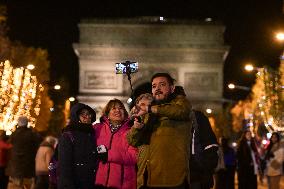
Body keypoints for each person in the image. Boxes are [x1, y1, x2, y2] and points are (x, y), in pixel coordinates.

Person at [128, 73, 192, 188]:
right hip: (148, 177)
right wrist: (137, 128)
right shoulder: (148, 113)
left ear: (172, 88)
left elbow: (180, 111)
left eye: (162, 85)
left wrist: (150, 108)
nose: (157, 89)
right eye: (154, 86)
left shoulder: (181, 104)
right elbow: (133, 142)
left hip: (172, 179)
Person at [93, 99, 138, 189]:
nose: (117, 110)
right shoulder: (97, 129)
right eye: (113, 108)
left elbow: (134, 156)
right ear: (107, 113)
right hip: (99, 183)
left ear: (125, 113)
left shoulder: (132, 131)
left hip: (123, 184)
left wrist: (108, 155)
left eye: (120, 108)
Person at [58, 103, 97, 189]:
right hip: (74, 183)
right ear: (75, 116)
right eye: (83, 113)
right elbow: (64, 165)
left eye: (89, 113)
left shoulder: (92, 134)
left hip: (90, 182)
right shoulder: (68, 135)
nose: (87, 116)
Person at [6, 116, 42, 189]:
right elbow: (38, 143)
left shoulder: (15, 134)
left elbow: (9, 145)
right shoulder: (31, 134)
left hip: (16, 165)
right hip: (28, 164)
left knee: (16, 184)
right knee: (28, 184)